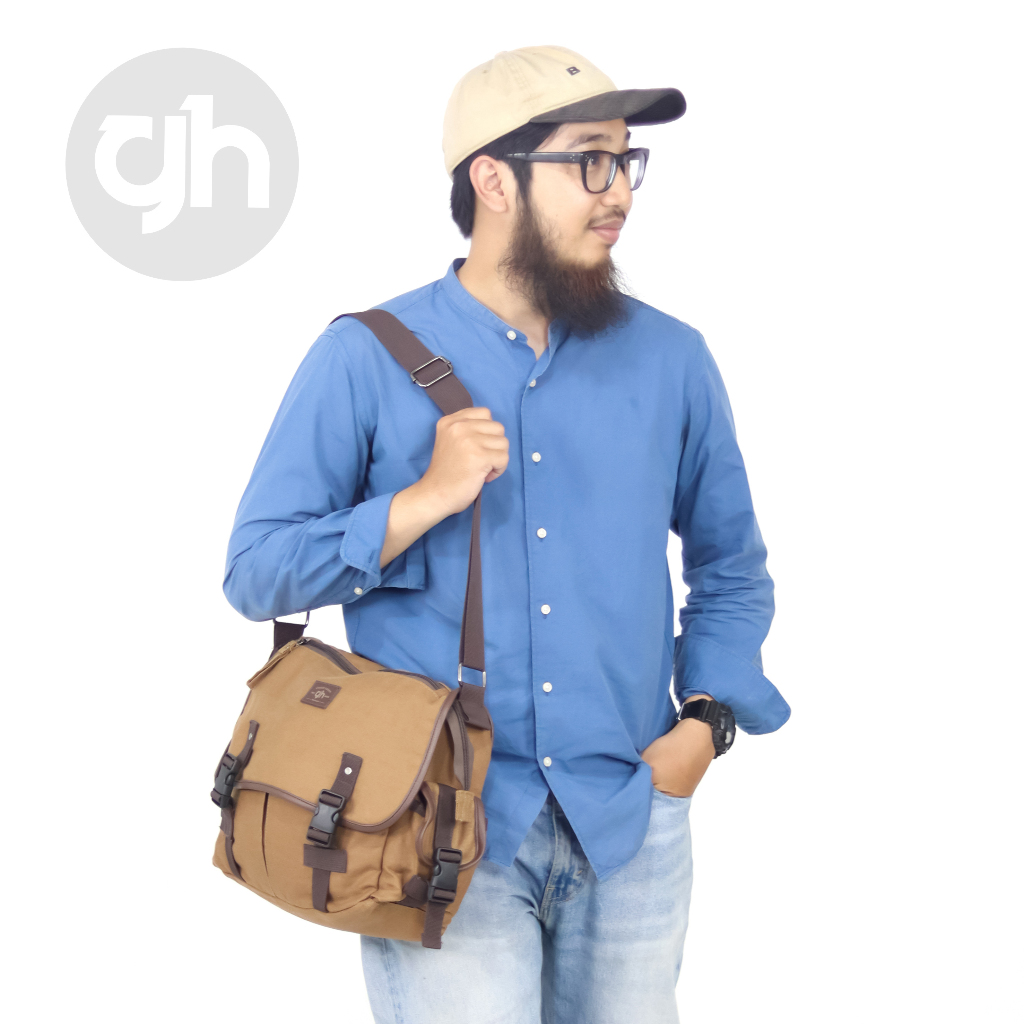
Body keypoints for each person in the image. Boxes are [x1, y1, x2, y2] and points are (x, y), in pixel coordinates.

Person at [224, 44, 791, 1024]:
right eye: (589, 162)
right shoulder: (361, 358)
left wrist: (704, 726)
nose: (619, 192)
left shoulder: (672, 359)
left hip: (631, 818)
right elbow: (255, 570)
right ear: (492, 180)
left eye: (626, 161)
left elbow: (730, 565)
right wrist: (419, 501)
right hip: (435, 827)